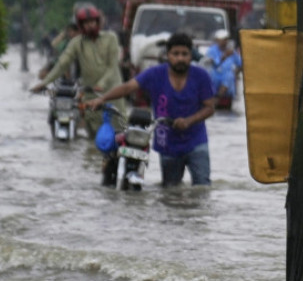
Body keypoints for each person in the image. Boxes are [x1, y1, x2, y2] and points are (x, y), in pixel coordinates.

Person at [86, 32, 216, 187]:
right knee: (170, 191)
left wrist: (188, 121)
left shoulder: (201, 76)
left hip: (196, 141)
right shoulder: (155, 74)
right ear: (167, 55)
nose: (180, 58)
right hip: (167, 143)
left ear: (191, 56)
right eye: (175, 54)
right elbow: (128, 87)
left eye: (184, 54)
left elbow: (210, 107)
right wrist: (102, 99)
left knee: (202, 187)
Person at [30, 5, 126, 136]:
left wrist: (101, 84)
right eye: (86, 23)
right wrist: (43, 83)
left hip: (113, 95)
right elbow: (61, 64)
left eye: (92, 22)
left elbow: (113, 66)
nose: (90, 26)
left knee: (118, 135)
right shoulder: (77, 43)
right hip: (91, 97)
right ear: (81, 25)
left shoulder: (111, 38)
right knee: (93, 139)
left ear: (98, 22)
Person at [204, 29, 242, 103]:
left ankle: (217, 98)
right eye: (222, 40)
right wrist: (224, 56)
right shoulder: (212, 50)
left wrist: (236, 73)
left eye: (226, 40)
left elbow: (240, 64)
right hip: (215, 73)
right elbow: (214, 63)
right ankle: (214, 97)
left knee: (229, 76)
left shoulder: (231, 51)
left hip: (227, 77)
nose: (224, 42)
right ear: (217, 40)